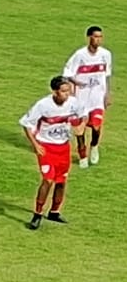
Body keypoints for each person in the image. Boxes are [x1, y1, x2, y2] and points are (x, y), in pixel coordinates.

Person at [19, 76, 88, 230]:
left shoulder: (73, 103)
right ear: (55, 91)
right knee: (48, 180)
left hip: (63, 148)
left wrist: (82, 125)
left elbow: (84, 114)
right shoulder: (43, 105)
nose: (67, 94)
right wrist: (35, 144)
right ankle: (37, 214)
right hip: (46, 147)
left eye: (68, 91)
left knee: (62, 181)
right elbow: (26, 123)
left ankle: (54, 212)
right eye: (64, 91)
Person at [62, 25, 113, 168]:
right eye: (95, 37)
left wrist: (108, 93)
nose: (98, 40)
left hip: (97, 96)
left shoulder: (106, 54)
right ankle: (82, 153)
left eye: (100, 37)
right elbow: (67, 74)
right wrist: (76, 83)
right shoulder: (79, 55)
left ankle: (94, 146)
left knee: (97, 126)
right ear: (89, 37)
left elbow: (107, 75)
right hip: (81, 98)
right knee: (80, 130)